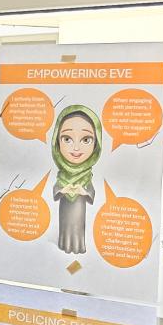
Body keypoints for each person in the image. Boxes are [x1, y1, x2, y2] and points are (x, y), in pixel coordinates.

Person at [50, 105, 101, 255]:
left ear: (96, 144)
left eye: (86, 139)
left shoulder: (86, 176)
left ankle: (78, 246)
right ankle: (63, 244)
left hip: (79, 208)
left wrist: (83, 191)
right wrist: (62, 190)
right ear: (57, 142)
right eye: (67, 139)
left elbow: (91, 192)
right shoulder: (62, 175)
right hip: (65, 207)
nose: (76, 148)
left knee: (78, 228)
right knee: (65, 227)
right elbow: (56, 189)